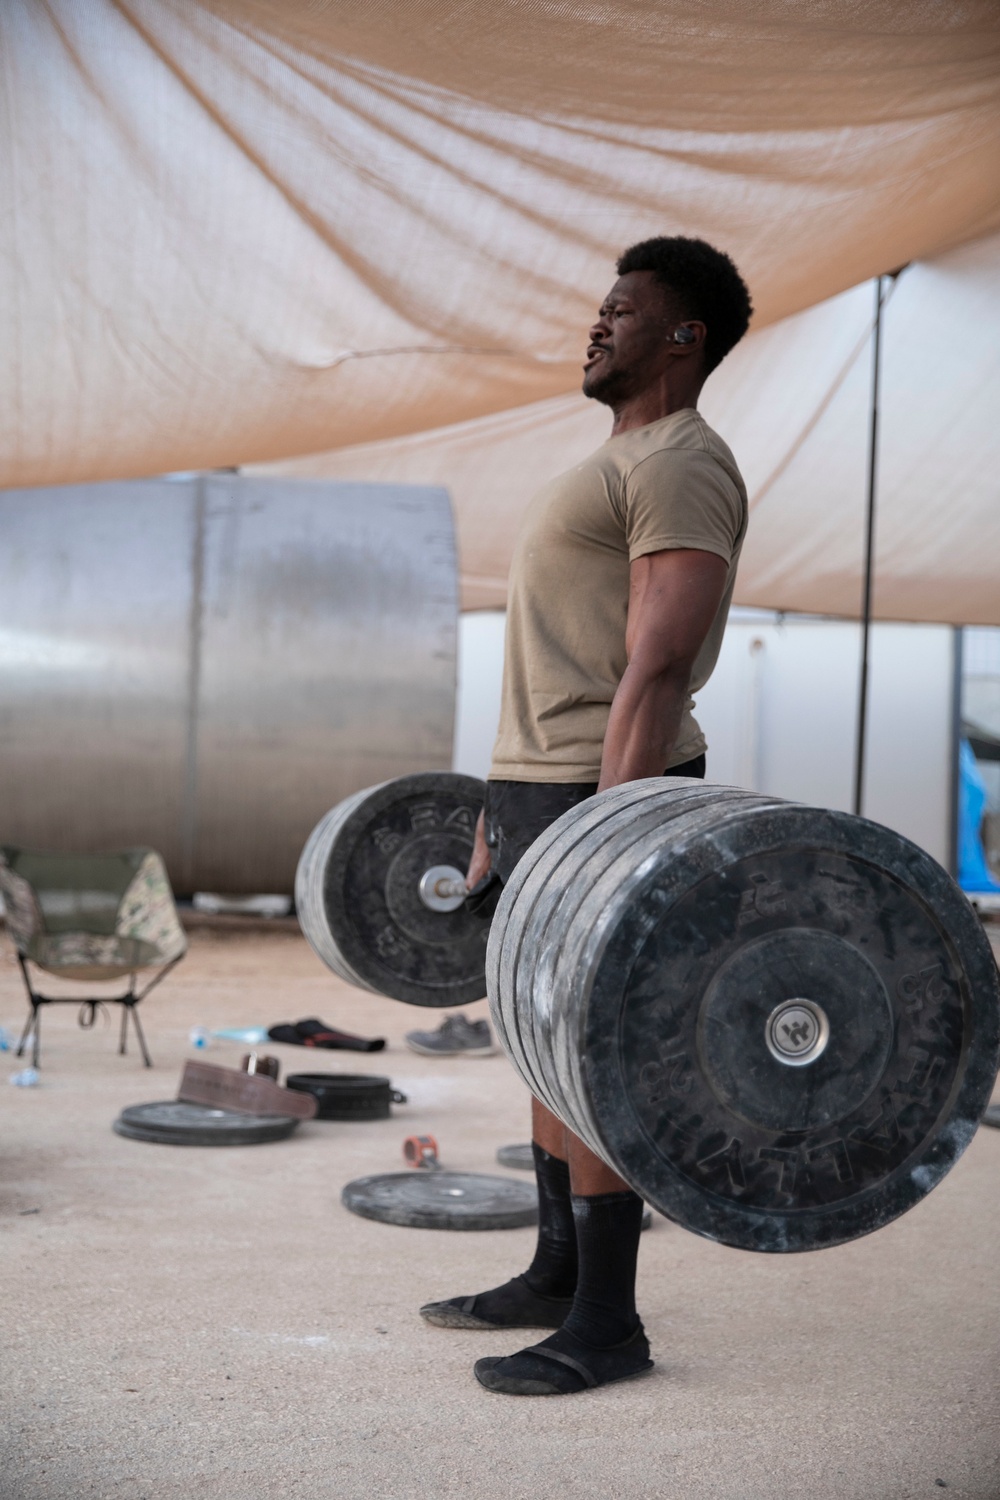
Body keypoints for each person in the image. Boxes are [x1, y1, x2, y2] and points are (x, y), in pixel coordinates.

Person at [420, 236, 753, 1396]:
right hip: (537, 788)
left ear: (682, 335)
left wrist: (603, 851)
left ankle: (608, 1325)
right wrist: (493, 810)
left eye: (620, 308)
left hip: (600, 792)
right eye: (598, 308)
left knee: (595, 1052)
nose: (594, 324)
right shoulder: (612, 459)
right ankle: (556, 1273)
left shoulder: (679, 463)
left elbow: (656, 669)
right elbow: (547, 659)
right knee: (539, 1039)